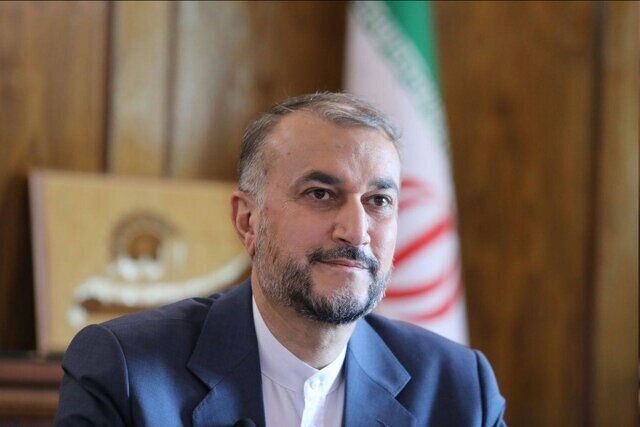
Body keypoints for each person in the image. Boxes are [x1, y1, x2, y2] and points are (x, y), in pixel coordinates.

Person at [54, 92, 506, 426]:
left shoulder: (459, 390)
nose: (356, 231)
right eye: (320, 194)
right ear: (248, 221)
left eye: (379, 201)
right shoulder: (127, 372)